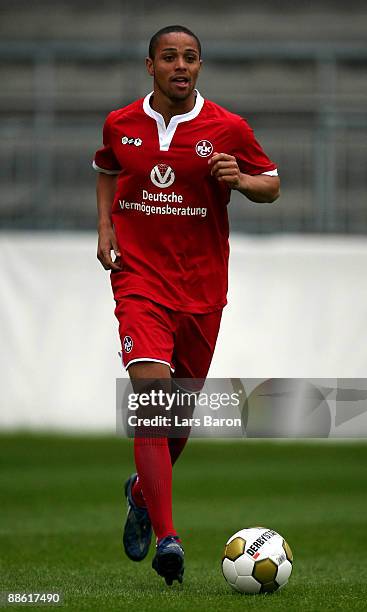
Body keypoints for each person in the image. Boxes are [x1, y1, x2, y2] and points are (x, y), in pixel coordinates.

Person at [93, 24, 279, 586]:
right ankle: (169, 539)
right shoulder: (121, 123)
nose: (181, 65)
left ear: (200, 67)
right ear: (150, 66)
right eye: (169, 57)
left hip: (201, 289)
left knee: (177, 417)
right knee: (152, 401)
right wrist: (105, 225)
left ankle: (140, 494)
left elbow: (272, 183)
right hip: (140, 281)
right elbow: (106, 165)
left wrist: (241, 180)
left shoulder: (228, 127)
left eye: (190, 58)